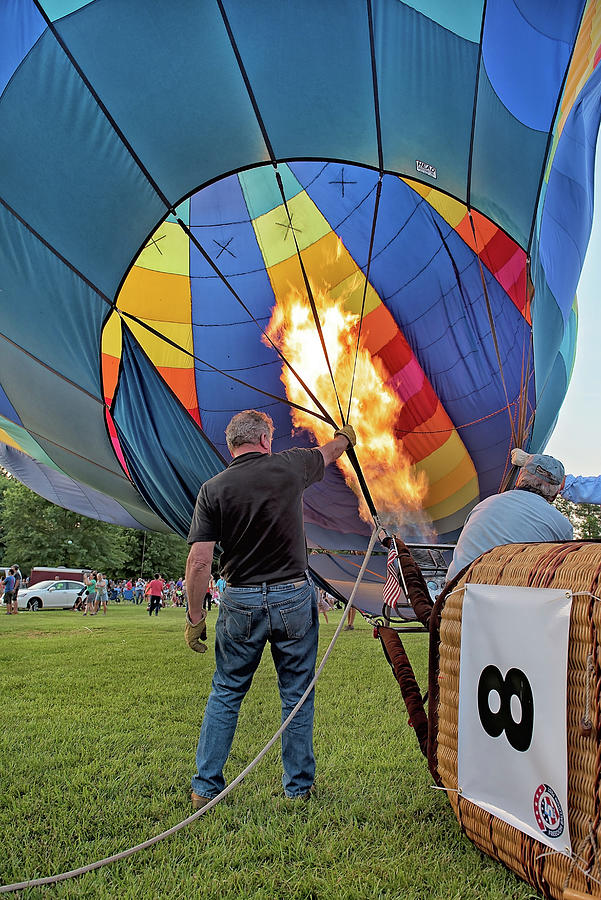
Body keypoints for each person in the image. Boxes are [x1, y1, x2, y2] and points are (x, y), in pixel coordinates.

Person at [185, 408, 356, 808]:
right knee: (296, 693)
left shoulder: (213, 489)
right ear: (265, 440)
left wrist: (195, 617)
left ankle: (204, 787)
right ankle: (298, 789)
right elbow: (329, 452)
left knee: (226, 691)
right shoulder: (290, 466)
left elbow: (198, 561)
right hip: (292, 595)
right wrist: (346, 438)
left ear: (232, 446)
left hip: (240, 597)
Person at [445, 450, 573, 584]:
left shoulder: (484, 505)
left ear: (519, 479)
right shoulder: (562, 525)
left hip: (456, 591)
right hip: (510, 597)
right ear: (555, 495)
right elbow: (560, 572)